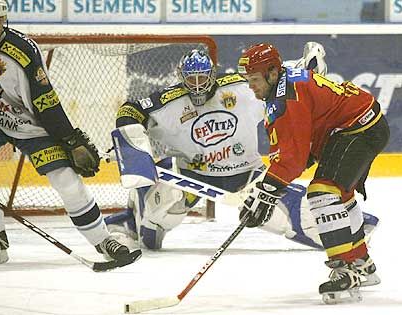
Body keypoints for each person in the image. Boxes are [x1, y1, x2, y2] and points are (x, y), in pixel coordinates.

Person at [105, 45, 378, 253]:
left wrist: (307, 68)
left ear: (213, 74)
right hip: (191, 177)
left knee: (302, 221)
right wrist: (132, 142)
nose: (198, 86)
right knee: (150, 234)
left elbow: (281, 78)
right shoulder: (169, 101)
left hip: (248, 174)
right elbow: (131, 109)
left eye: (203, 78)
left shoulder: (242, 86)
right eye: (192, 80)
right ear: (181, 79)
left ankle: (351, 228)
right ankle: (130, 219)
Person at [0, 0, 140, 266]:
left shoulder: (22, 50)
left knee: (66, 179)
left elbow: (45, 101)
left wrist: (69, 139)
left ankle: (104, 240)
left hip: (27, 121)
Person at [237, 43, 389, 303]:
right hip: (358, 126)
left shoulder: (287, 97)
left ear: (272, 73)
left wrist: (267, 190)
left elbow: (293, 160)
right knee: (338, 193)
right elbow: (295, 154)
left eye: (254, 79)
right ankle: (361, 261)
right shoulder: (284, 88)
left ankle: (346, 268)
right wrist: (267, 189)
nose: (251, 86)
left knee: (322, 194)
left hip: (357, 129)